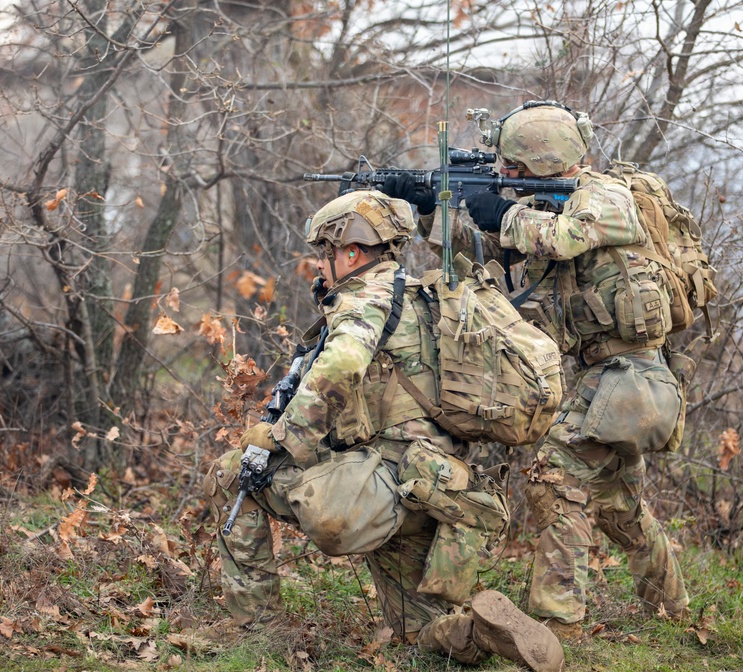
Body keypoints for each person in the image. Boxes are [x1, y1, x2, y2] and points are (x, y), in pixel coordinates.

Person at [204, 190, 564, 671]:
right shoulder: (423, 298)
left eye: (323, 253)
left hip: (379, 486)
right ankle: (477, 633)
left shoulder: (366, 299)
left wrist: (284, 435)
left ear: (350, 251)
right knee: (416, 632)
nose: (319, 265)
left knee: (232, 472)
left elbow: (344, 362)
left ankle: (256, 628)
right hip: (437, 490)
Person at [382, 100, 689, 638]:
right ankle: (672, 605)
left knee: (556, 474)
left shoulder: (607, 199)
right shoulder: (545, 205)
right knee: (618, 501)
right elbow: (483, 253)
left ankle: (556, 622)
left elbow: (561, 237)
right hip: (612, 379)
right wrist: (432, 205)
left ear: (539, 162)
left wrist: (500, 210)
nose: (506, 176)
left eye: (512, 169)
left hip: (635, 378)